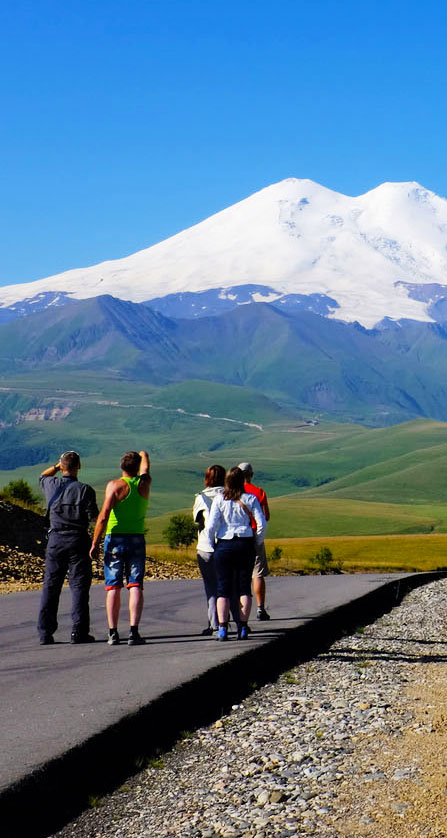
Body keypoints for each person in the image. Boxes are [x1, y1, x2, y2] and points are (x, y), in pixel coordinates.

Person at [90, 450, 151, 646]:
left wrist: (95, 542)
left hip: (114, 538)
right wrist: (143, 454)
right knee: (135, 584)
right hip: (136, 538)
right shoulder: (144, 484)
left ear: (121, 467)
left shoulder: (114, 486)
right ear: (138, 467)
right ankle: (134, 631)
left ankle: (113, 632)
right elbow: (146, 467)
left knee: (113, 585)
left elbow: (104, 514)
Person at [37, 450, 99, 645]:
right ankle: (78, 631)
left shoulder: (51, 484)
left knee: (51, 585)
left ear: (62, 467)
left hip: (55, 539)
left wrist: (56, 466)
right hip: (78, 539)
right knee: (79, 586)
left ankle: (45, 633)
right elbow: (94, 518)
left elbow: (43, 475)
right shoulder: (85, 490)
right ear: (79, 467)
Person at [205, 466, 266, 641]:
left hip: (224, 544)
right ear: (242, 481)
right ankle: (243, 626)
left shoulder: (219, 499)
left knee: (222, 589)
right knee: (244, 587)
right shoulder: (250, 498)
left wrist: (212, 544)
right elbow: (261, 523)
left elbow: (211, 526)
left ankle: (223, 628)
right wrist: (257, 541)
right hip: (245, 543)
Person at [193, 464, 226, 635]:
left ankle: (214, 623)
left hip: (205, 547)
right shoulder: (229, 495)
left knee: (211, 587)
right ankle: (232, 622)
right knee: (227, 585)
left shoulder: (201, 497)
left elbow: (198, 521)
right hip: (224, 544)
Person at [238, 462, 271, 620]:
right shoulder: (259, 492)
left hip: (236, 538)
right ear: (251, 474)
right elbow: (265, 517)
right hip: (254, 535)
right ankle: (260, 608)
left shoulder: (231, 493)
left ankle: (238, 610)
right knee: (257, 573)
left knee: (237, 573)